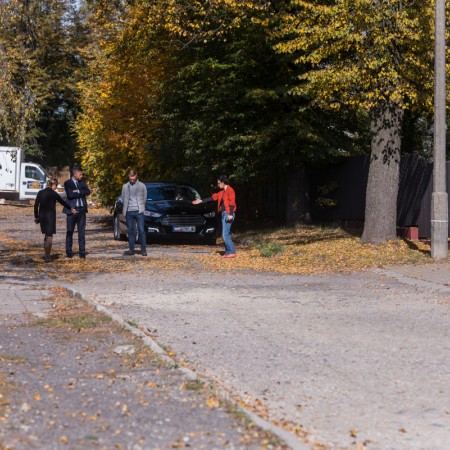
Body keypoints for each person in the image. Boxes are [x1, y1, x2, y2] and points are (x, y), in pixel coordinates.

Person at [193, 175, 237, 258]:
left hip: (228, 214)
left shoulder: (230, 190)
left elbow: (232, 203)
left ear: (223, 183)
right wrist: (201, 201)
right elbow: (212, 198)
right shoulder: (222, 192)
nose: (218, 185)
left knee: (225, 234)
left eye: (219, 183)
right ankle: (228, 252)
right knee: (225, 234)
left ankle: (232, 252)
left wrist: (231, 214)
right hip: (224, 214)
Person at [34, 178, 77, 262]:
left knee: (46, 235)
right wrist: (71, 208)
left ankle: (46, 253)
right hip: (50, 217)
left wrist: (36, 217)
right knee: (49, 235)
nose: (56, 188)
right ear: (53, 185)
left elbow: (36, 206)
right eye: (56, 186)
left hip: (42, 217)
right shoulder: (54, 194)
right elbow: (63, 202)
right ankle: (47, 256)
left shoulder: (40, 193)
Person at [63, 167, 91, 259]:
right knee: (70, 231)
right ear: (75, 174)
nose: (81, 176)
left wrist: (78, 191)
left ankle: (82, 252)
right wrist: (80, 193)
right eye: (80, 174)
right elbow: (70, 195)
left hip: (81, 210)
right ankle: (69, 251)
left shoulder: (82, 182)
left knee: (81, 232)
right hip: (71, 210)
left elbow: (87, 191)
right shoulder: (68, 183)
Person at [121, 169, 147, 256]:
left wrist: (141, 206)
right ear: (128, 177)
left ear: (136, 177)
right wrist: (126, 209)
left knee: (141, 230)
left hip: (139, 211)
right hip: (129, 211)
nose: (132, 180)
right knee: (131, 231)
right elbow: (123, 198)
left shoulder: (142, 186)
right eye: (130, 179)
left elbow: (145, 197)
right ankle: (131, 249)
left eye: (133, 179)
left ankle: (143, 249)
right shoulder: (125, 186)